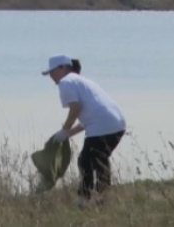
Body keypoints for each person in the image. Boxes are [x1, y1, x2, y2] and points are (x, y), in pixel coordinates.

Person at [42, 55, 127, 207]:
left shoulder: (66, 82)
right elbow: (87, 118)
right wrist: (68, 134)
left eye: (52, 72)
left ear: (63, 68)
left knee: (85, 160)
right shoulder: (82, 81)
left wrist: (65, 129)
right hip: (116, 124)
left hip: (103, 125)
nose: (51, 76)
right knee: (99, 160)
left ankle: (83, 200)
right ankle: (103, 198)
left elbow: (76, 108)